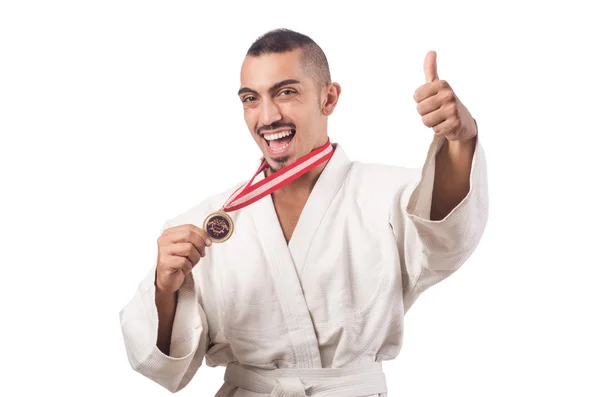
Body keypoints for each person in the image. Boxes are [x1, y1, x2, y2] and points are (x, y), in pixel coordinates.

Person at [119, 28, 488, 397]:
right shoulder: (206, 222)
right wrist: (164, 288)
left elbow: (444, 230)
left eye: (286, 92)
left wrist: (460, 139)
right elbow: (162, 366)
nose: (267, 116)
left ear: (328, 98)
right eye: (251, 98)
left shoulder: (386, 195)